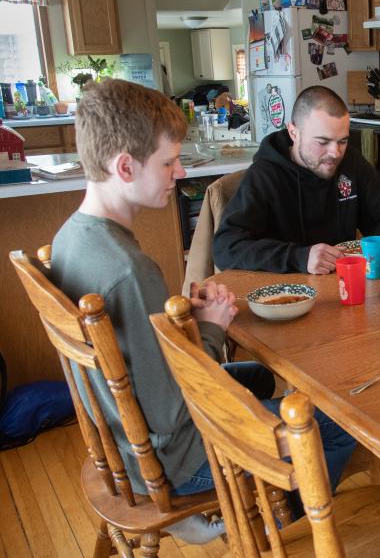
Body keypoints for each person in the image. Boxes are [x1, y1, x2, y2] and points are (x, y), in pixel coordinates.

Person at [50, 79, 355, 544]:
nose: (178, 174)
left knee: (254, 375)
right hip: (177, 459)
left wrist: (182, 321)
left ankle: (260, 513)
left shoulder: (73, 238)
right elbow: (175, 411)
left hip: (119, 441)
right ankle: (286, 535)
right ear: (126, 167)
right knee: (337, 423)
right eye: (169, 163)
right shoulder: (129, 271)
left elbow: (140, 353)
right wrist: (209, 332)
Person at [214, 86, 380, 274]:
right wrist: (299, 257)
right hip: (284, 298)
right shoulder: (265, 175)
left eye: (343, 141)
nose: (335, 153)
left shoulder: (350, 163)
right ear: (294, 132)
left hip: (343, 288)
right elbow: (226, 247)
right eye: (323, 142)